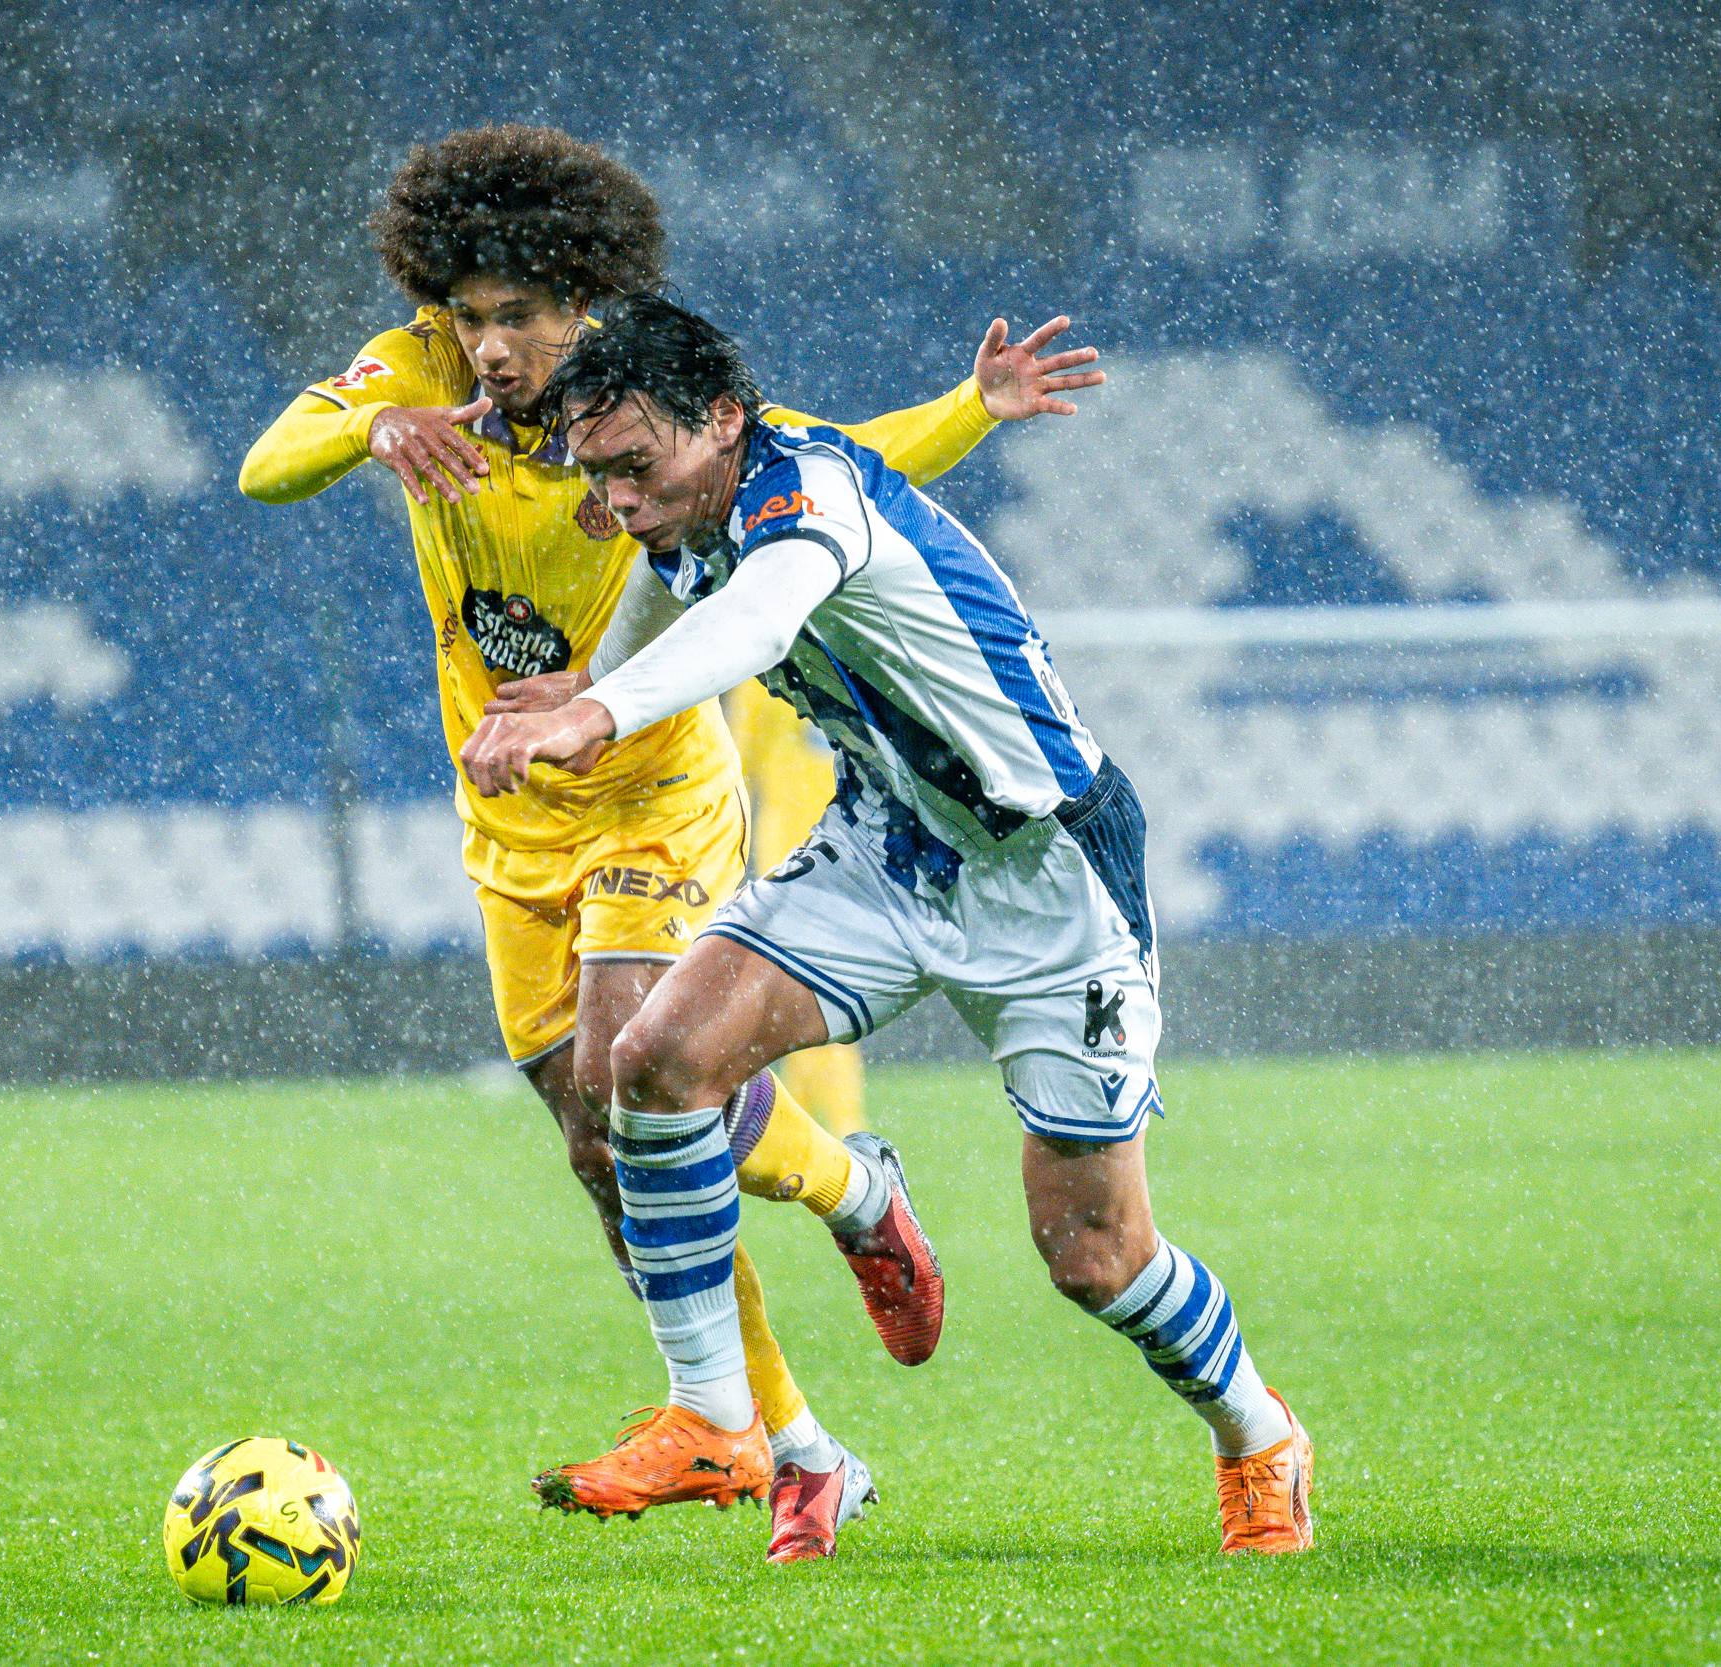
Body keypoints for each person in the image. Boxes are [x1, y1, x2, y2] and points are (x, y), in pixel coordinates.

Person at [237, 125, 1105, 1560]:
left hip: (652, 792)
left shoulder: (633, 395)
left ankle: (804, 1268)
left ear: (584, 297)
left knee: (625, 1074)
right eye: (474, 315)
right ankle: (805, 1437)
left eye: (521, 314)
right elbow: (270, 464)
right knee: (603, 1145)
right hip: (510, 816)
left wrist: (973, 405)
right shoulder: (417, 377)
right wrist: (371, 426)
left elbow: (835, 463)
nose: (495, 346)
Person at [464, 294, 1316, 1556]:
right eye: (600, 476)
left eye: (638, 467)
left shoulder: (807, 498)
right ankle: (714, 1414)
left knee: (1091, 1254)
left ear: (723, 420)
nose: (624, 502)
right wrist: (593, 676)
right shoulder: (681, 515)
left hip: (1047, 879)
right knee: (650, 1062)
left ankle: (1258, 1437)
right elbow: (667, 583)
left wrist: (595, 720)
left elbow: (753, 619)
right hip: (885, 848)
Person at [728, 686, 868, 1134]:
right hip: (854, 840)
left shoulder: (757, 669)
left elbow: (738, 763)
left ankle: (828, 1125)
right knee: (832, 980)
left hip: (791, 849)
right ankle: (821, 1122)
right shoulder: (842, 650)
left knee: (803, 984)